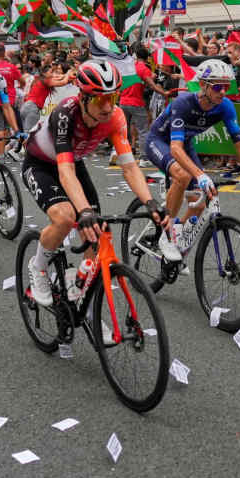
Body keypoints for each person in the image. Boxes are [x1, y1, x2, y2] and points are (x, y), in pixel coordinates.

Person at [20, 60, 171, 311]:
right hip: (41, 165)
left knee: (96, 236)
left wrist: (151, 202)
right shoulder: (65, 114)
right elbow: (64, 171)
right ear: (83, 98)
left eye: (113, 98)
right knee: (66, 217)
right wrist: (84, 211)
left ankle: (82, 302)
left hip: (73, 163)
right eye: (100, 99)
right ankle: (38, 267)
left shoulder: (116, 117)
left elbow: (129, 166)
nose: (108, 106)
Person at [144, 59, 240, 255]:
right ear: (203, 85)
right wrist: (200, 175)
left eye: (226, 87)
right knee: (183, 176)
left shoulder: (225, 106)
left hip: (185, 144)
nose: (223, 92)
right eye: (218, 86)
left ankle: (178, 240)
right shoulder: (183, 103)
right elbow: (175, 149)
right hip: (159, 141)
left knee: (201, 202)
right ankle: (166, 234)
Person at [121, 47, 166, 166]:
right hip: (136, 103)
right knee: (143, 131)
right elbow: (152, 85)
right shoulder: (143, 68)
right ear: (147, 58)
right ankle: (144, 158)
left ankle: (118, 154)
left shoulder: (129, 66)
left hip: (123, 101)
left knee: (122, 130)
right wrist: (164, 93)